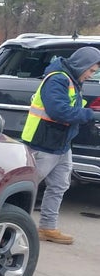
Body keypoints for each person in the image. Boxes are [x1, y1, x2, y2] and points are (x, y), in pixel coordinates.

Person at [20, 46, 100, 245]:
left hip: (61, 144)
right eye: (91, 71)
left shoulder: (71, 80)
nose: (91, 75)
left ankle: (47, 227)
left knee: (59, 186)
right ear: (82, 65)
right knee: (26, 186)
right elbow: (59, 111)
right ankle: (15, 225)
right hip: (43, 143)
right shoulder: (57, 79)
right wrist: (90, 114)